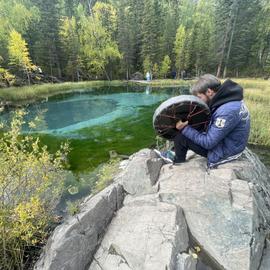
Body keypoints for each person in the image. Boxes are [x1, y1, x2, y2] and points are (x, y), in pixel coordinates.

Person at [161, 74, 250, 168]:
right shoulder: (228, 99)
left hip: (225, 152)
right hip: (229, 144)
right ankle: (177, 152)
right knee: (193, 124)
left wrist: (184, 129)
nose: (199, 101)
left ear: (209, 92)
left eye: (199, 97)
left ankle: (178, 161)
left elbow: (208, 143)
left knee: (182, 135)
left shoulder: (226, 112)